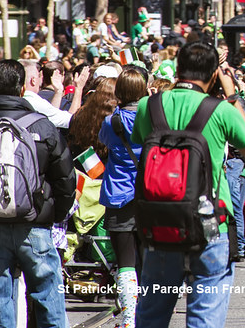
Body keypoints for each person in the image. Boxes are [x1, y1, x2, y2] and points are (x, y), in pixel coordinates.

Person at [132, 42, 245, 328]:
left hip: (159, 224)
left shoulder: (149, 105)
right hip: (210, 226)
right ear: (214, 75)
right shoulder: (220, 110)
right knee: (205, 318)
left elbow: (140, 139)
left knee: (151, 316)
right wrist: (233, 97)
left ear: (177, 69)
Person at [0, 59, 76, 328]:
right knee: (48, 296)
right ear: (22, 89)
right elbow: (65, 178)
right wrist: (56, 214)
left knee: (0, 302)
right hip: (35, 224)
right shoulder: (42, 126)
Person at [97, 66, 147, 328]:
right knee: (149, 262)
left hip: (119, 195)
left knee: (125, 263)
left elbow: (103, 141)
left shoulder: (111, 122)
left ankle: (129, 320)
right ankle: (150, 317)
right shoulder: (153, 119)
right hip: (150, 196)